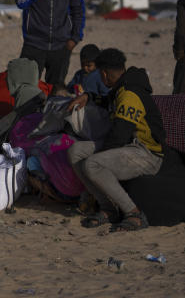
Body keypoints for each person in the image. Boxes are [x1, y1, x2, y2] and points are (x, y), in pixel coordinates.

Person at [67, 48, 165, 232]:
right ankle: (108, 208)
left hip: (146, 153)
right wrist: (89, 96)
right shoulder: (120, 88)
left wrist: (98, 159)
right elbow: (107, 101)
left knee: (92, 164)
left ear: (104, 74)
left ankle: (133, 213)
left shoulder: (129, 94)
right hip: (129, 146)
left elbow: (120, 135)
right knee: (75, 151)